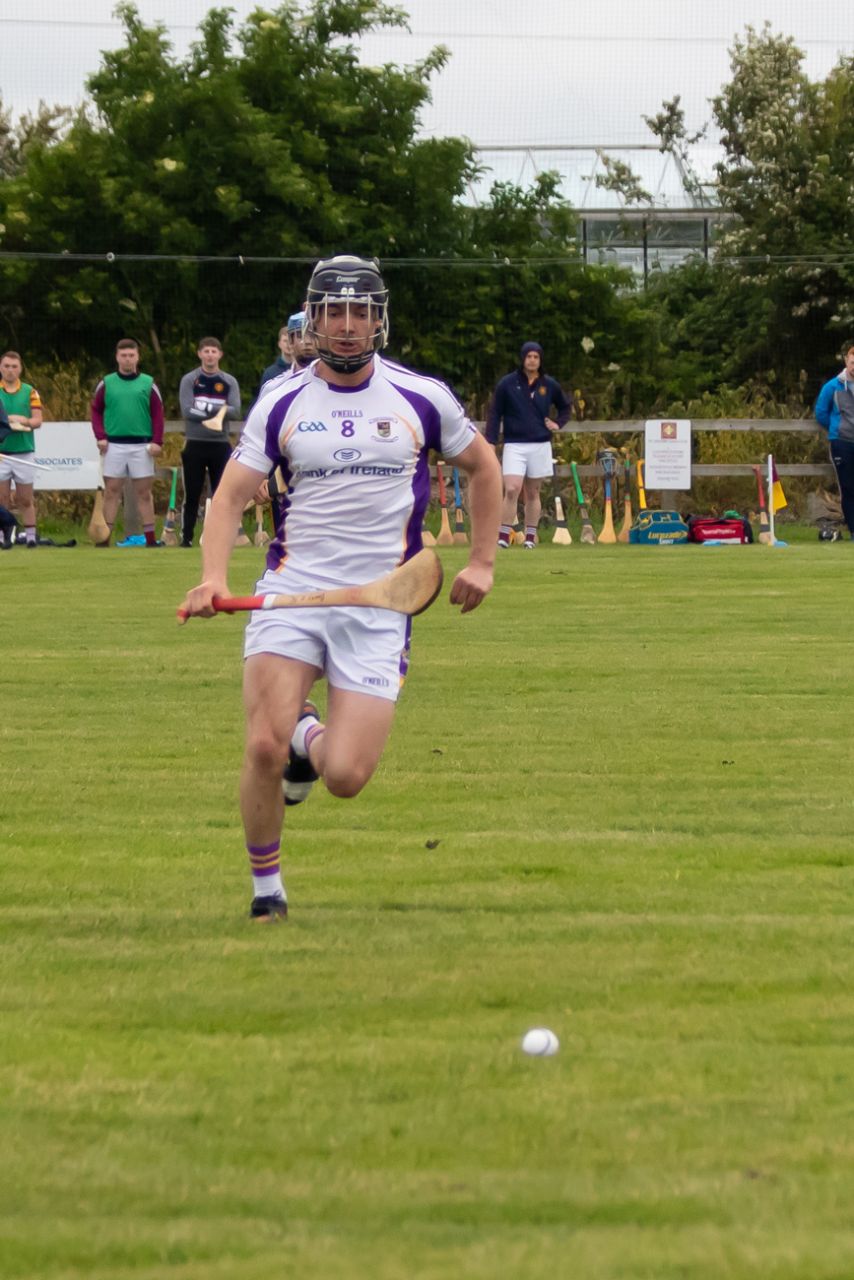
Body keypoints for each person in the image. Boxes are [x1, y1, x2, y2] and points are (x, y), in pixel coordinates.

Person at [179, 254, 502, 922]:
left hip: (382, 602)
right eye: (334, 312)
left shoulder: (422, 397)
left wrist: (482, 561)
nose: (348, 325)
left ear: (379, 319)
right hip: (292, 592)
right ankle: (267, 890)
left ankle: (309, 740)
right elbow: (230, 498)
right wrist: (213, 577)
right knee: (262, 744)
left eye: (360, 311)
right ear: (313, 319)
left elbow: (482, 466)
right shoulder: (282, 400)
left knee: (347, 777)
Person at [485, 341, 572, 549]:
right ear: (523, 359)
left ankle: (531, 536)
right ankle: (504, 534)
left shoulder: (548, 384)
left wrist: (557, 423)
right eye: (529, 356)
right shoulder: (508, 383)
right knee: (512, 489)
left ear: (540, 360)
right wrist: (490, 441)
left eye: (536, 357)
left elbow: (565, 406)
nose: (532, 360)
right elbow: (495, 413)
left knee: (533, 492)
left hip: (540, 444)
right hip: (514, 444)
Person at [90, 339, 165, 547]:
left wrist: (157, 441)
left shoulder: (148, 384)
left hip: (142, 445)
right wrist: (100, 436)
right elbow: (96, 410)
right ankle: (104, 538)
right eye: (124, 355)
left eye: (131, 355)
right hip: (114, 444)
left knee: (143, 492)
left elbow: (158, 415)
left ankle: (150, 539)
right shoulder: (107, 383)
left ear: (137, 357)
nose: (128, 359)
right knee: (112, 491)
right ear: (117, 357)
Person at [178, 337, 242, 548]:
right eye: (206, 351)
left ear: (220, 355)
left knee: (222, 494)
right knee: (193, 493)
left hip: (220, 443)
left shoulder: (228, 381)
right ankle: (186, 537)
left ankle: (221, 537)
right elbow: (188, 411)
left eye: (214, 351)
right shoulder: (190, 379)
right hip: (195, 442)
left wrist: (204, 408)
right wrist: (217, 410)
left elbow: (235, 411)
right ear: (199, 354)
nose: (210, 355)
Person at [0, 350, 44, 547]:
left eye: (14, 367)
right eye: (6, 366)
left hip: (24, 451)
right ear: (1, 368)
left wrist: (23, 420)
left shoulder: (30, 391)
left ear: (20, 369)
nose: (10, 371)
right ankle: (3, 537)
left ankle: (31, 537)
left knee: (25, 498)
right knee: (2, 499)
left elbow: (37, 420)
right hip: (1, 453)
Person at [815, 340, 854, 538]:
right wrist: (836, 428)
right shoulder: (832, 386)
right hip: (842, 442)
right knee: (848, 487)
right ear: (847, 361)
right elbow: (821, 412)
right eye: (853, 362)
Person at [257, 311, 317, 394]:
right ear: (291, 341)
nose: (307, 341)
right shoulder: (273, 388)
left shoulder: (338, 384)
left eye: (312, 334)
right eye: (300, 335)